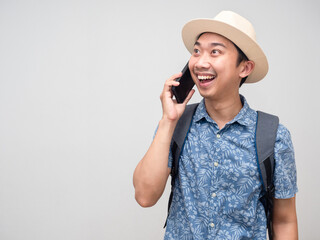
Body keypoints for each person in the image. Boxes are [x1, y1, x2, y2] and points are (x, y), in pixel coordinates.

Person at [133, 11, 298, 240]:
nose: (201, 62)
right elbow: (144, 196)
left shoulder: (273, 136)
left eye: (215, 52)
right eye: (197, 51)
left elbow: (285, 220)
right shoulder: (176, 125)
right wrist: (167, 121)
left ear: (245, 68)